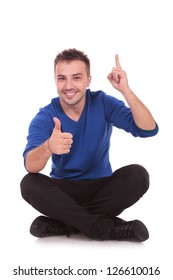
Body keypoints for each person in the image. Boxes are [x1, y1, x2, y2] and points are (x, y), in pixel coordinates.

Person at [20, 48, 158, 242]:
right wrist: (48, 147)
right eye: (62, 78)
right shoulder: (44, 117)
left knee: (138, 175)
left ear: (88, 80)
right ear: (55, 81)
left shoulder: (102, 103)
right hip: (64, 192)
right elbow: (30, 165)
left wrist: (125, 90)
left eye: (76, 77)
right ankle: (105, 229)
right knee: (29, 184)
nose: (68, 85)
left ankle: (65, 224)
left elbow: (148, 129)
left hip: (102, 189)